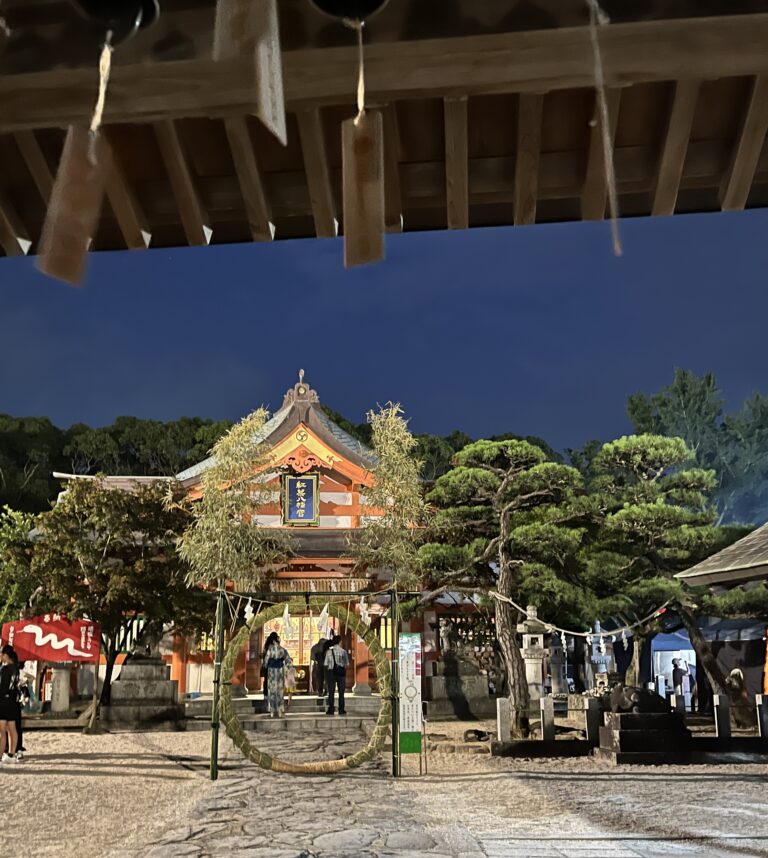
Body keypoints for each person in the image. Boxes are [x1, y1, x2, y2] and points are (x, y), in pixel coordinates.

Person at [263, 633, 292, 718]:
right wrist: (288, 669)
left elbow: (265, 662)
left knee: (272, 691)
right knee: (280, 691)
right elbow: (288, 661)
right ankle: (280, 710)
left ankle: (272, 710)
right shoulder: (282, 650)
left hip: (271, 671)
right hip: (280, 671)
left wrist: (266, 665)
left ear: (272, 641)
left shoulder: (269, 650)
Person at [0, 645, 20, 764]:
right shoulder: (15, 668)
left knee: (1, 731)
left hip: (3, 701)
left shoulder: (4, 669)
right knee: (12, 728)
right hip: (12, 702)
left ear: (5, 655)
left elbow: (2, 687)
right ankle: (11, 754)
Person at [324, 634, 349, 716]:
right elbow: (347, 664)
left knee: (331, 692)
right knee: (341, 692)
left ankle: (331, 709)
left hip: (331, 673)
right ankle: (341, 709)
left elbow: (325, 664)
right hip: (341, 673)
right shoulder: (343, 652)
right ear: (340, 642)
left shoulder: (328, 652)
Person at [261, 632, 279, 703]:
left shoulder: (266, 646)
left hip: (268, 666)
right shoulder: (274, 646)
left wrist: (264, 665)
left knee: (267, 681)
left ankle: (266, 695)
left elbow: (265, 657)